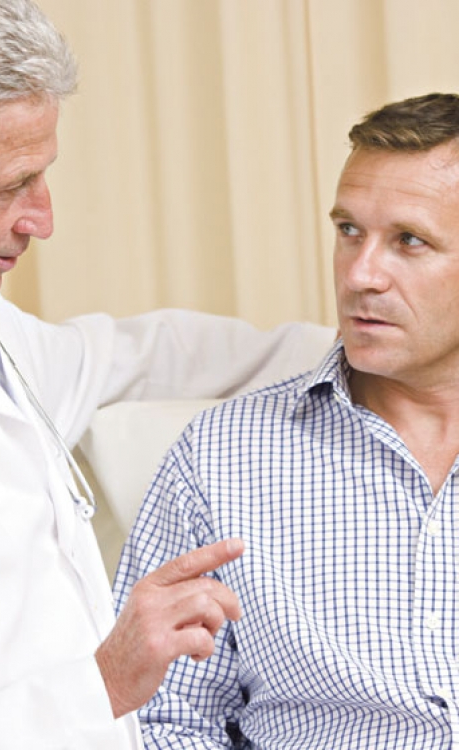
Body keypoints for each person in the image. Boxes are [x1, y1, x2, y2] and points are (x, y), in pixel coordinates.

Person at [0, 1, 335, 747]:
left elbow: (149, 353)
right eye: (11, 185)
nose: (42, 219)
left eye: (44, 176)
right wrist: (103, 683)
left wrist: (358, 352)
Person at [114, 91, 459, 749]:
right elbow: (160, 720)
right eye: (349, 231)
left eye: (408, 241)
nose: (361, 275)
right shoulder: (219, 458)